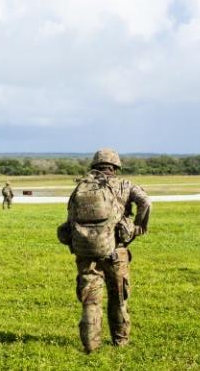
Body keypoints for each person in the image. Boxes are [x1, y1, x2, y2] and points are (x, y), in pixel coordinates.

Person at [58, 148, 151, 354]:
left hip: (86, 254)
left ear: (95, 165)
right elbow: (146, 202)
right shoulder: (124, 185)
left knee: (90, 301)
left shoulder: (81, 187)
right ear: (115, 167)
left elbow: (69, 221)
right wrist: (138, 226)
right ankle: (120, 342)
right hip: (117, 253)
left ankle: (91, 347)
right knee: (118, 298)